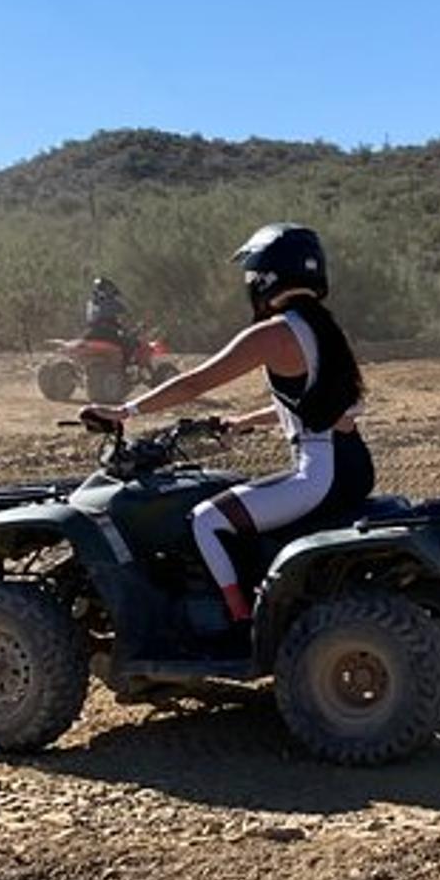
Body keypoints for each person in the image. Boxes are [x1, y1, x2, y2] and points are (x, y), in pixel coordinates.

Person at [80, 224, 371, 623]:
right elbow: (323, 409)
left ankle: (240, 622)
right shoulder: (326, 330)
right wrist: (245, 420)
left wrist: (126, 411)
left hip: (317, 479)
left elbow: (195, 382)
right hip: (353, 469)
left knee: (206, 520)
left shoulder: (273, 334)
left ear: (264, 277)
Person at [84, 277, 129, 346]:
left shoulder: (93, 303)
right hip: (110, 334)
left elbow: (90, 320)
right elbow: (124, 320)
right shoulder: (116, 304)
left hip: (95, 332)